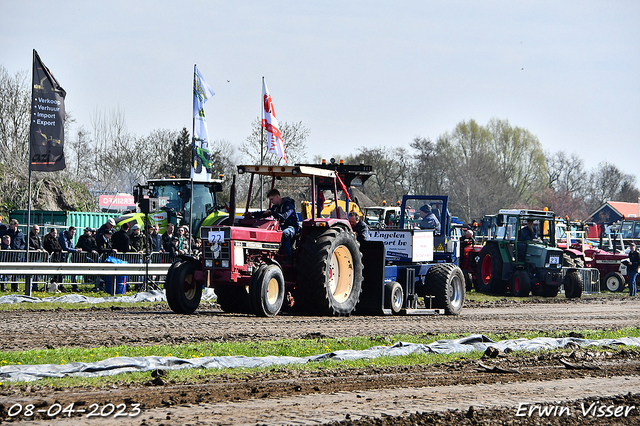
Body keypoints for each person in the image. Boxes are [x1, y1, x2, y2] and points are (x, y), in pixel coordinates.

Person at [247, 189, 300, 257]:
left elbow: (283, 217)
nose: (271, 201)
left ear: (277, 196)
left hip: (292, 227)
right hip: (281, 227)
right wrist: (252, 214)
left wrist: (272, 213)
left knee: (285, 233)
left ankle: (288, 256)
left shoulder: (288, 205)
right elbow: (266, 213)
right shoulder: (276, 207)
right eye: (270, 200)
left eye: (272, 199)